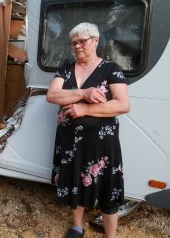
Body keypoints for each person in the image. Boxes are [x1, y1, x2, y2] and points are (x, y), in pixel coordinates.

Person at [46, 22, 130, 238]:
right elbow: (52, 96)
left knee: (107, 191)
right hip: (71, 141)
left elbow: (122, 105)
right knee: (75, 183)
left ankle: (110, 236)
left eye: (82, 41)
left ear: (95, 40)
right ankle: (77, 226)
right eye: (73, 43)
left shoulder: (111, 69)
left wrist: (85, 109)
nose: (77, 46)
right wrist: (83, 93)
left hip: (101, 145)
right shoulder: (66, 68)